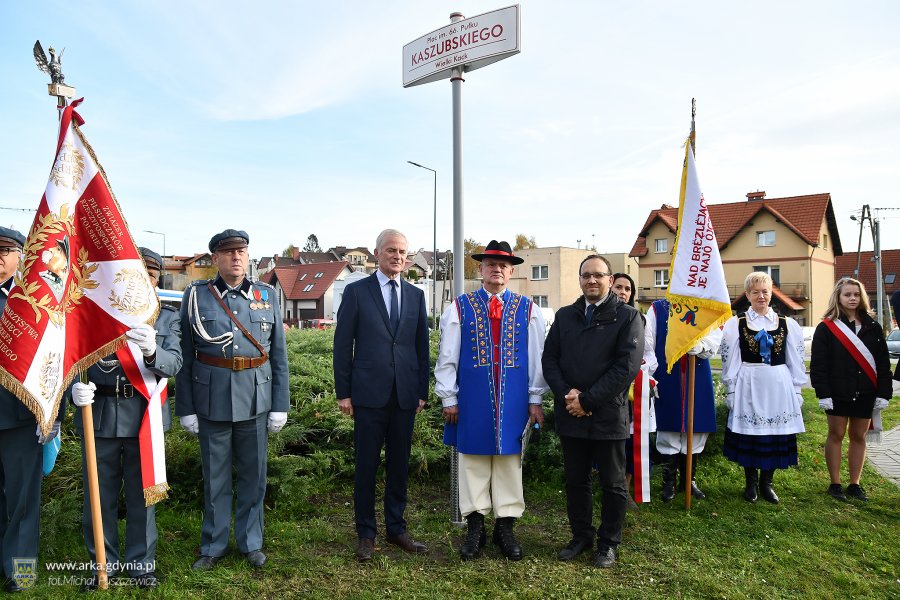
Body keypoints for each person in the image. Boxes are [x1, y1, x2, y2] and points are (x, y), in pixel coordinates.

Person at [175, 229, 289, 570]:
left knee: (254, 476)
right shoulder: (197, 296)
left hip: (256, 398)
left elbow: (279, 356)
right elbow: (185, 354)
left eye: (242, 251)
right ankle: (213, 545)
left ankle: (251, 542)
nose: (237, 257)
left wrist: (280, 403)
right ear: (216, 259)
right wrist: (186, 407)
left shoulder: (266, 295)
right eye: (228, 252)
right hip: (211, 399)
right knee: (216, 478)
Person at [70, 248, 181, 588]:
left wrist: (152, 351)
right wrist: (74, 389)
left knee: (142, 497)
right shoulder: (97, 311)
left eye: (150, 274)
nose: (144, 280)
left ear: (157, 278)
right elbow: (73, 357)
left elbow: (174, 363)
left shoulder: (166, 317)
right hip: (100, 414)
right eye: (137, 273)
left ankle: (140, 566)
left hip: (143, 417)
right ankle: (102, 564)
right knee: (98, 498)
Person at [435, 240, 549, 561]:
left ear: (511, 271)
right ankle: (475, 527)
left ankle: (505, 527)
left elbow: (536, 358)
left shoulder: (529, 309)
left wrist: (535, 397)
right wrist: (448, 397)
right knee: (472, 460)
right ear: (480, 269)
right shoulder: (460, 307)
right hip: (471, 398)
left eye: (503, 265)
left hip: (514, 399)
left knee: (509, 461)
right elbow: (447, 357)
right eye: (490, 264)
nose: (496, 269)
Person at [333, 229, 430, 562]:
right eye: (391, 250)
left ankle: (396, 528)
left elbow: (420, 347)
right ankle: (366, 533)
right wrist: (343, 393)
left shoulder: (417, 296)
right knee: (366, 466)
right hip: (368, 395)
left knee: (399, 465)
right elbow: (343, 344)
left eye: (403, 252)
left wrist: (421, 391)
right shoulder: (357, 292)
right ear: (377, 253)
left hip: (404, 396)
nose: (398, 256)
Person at [542, 257, 643, 568]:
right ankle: (581, 536)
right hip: (571, 412)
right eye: (586, 275)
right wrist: (568, 395)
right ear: (580, 279)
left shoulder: (628, 318)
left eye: (598, 275)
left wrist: (587, 400)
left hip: (607, 414)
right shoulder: (565, 316)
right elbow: (550, 359)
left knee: (612, 483)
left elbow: (625, 368)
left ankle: (608, 543)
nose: (592, 281)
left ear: (610, 280)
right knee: (576, 480)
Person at [0, 226, 62, 592]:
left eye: (6, 250)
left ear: (24, 256)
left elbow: (57, 359)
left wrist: (54, 414)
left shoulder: (37, 300)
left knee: (23, 503)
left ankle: (20, 572)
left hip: (23, 417)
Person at [719, 272, 807, 504]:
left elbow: (795, 358)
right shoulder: (736, 324)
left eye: (765, 291)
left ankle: (767, 483)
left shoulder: (786, 324)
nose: (761, 296)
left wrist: (797, 389)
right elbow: (730, 359)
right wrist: (731, 388)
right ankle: (750, 483)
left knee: (774, 434)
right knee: (751, 434)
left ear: (771, 294)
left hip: (778, 385)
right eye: (755, 292)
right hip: (750, 383)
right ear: (747, 295)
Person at [811, 277, 892, 502]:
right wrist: (823, 393)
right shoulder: (826, 328)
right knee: (835, 435)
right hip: (837, 392)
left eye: (856, 294)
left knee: (859, 436)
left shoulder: (873, 327)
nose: (852, 298)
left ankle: (855, 484)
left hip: (866, 391)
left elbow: (883, 363)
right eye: (847, 294)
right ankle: (835, 483)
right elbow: (818, 364)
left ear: (862, 297)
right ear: (838, 297)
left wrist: (884, 393)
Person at [644, 298, 721, 501]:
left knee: (695, 426)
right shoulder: (658, 308)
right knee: (668, 423)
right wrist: (651, 371)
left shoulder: (705, 305)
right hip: (667, 373)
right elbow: (648, 342)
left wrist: (702, 345)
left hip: (697, 371)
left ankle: (688, 480)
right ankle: (668, 481)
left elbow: (715, 333)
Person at [611, 273, 655, 510]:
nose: (623, 292)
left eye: (628, 288)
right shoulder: (601, 317)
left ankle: (625, 489)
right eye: (618, 287)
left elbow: (649, 354)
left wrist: (640, 370)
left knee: (630, 438)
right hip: (607, 388)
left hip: (632, 389)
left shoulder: (641, 319)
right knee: (609, 439)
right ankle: (610, 484)